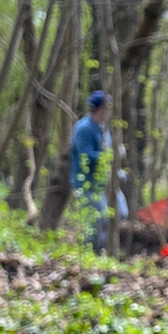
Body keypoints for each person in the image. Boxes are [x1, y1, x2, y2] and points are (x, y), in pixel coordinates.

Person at [70, 91, 112, 252]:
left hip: (97, 184)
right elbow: (85, 155)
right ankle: (89, 254)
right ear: (100, 109)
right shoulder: (85, 128)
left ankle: (98, 251)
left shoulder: (99, 128)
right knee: (95, 221)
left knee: (106, 218)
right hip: (85, 183)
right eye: (107, 108)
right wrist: (108, 156)